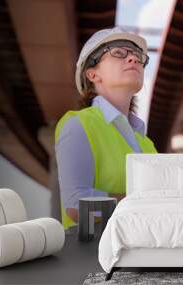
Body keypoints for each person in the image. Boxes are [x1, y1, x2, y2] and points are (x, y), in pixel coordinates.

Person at [54, 27, 158, 230]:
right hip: (93, 256)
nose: (134, 59)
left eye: (138, 56)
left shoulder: (147, 143)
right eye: (119, 53)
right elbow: (76, 205)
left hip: (142, 252)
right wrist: (145, 204)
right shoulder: (78, 125)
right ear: (92, 74)